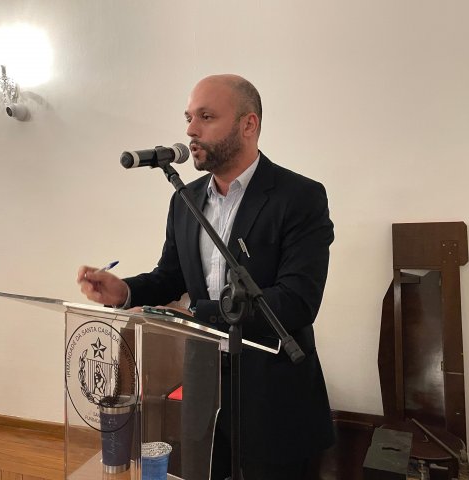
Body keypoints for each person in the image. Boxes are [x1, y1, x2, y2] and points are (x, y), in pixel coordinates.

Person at [77, 74, 335, 480]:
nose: (190, 130)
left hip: (274, 392)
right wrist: (124, 290)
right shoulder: (185, 199)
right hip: (203, 387)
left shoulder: (299, 196)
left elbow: (297, 301)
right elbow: (170, 276)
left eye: (206, 117)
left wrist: (199, 313)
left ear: (249, 124)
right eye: (188, 118)